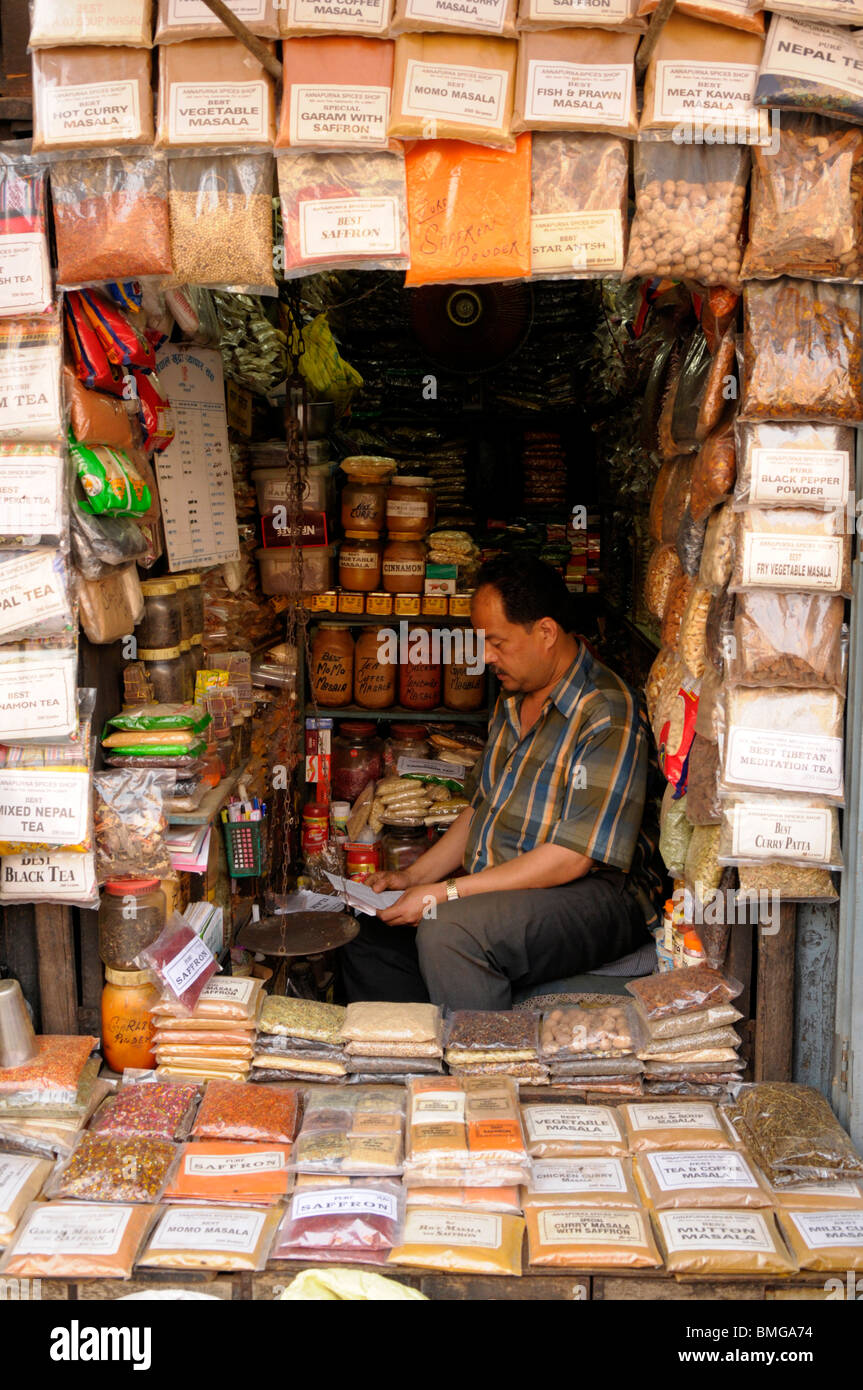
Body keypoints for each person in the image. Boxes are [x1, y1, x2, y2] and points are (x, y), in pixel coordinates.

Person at [340, 554, 653, 1011]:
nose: (486, 657)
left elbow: (572, 858)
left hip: (595, 897)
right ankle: (409, 1058)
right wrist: (411, 877)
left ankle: (485, 1068)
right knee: (365, 930)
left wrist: (445, 893)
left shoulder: (606, 710)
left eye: (497, 642)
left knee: (450, 930)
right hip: (513, 889)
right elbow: (481, 806)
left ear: (545, 633)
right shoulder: (513, 701)